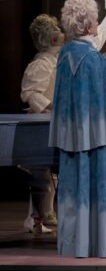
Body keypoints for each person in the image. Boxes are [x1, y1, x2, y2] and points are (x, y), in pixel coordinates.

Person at [50, 0, 106, 258]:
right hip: (98, 138)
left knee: (74, 189)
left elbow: (93, 42)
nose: (97, 23)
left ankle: (74, 243)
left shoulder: (66, 54)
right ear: (87, 25)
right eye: (95, 18)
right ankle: (99, 243)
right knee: (96, 189)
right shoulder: (95, 60)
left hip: (73, 137)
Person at [20, 14, 66, 234]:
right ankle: (36, 217)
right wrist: (52, 107)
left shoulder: (56, 61)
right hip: (41, 124)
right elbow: (30, 93)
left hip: (54, 122)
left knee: (50, 173)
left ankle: (44, 213)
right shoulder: (41, 64)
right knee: (41, 173)